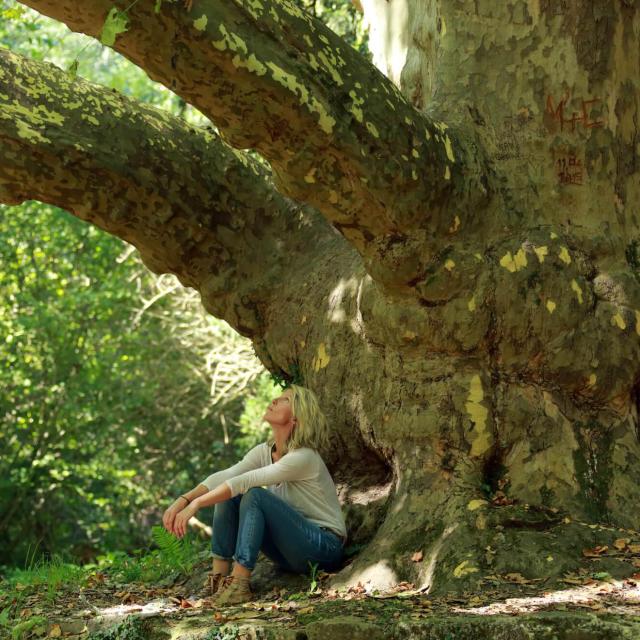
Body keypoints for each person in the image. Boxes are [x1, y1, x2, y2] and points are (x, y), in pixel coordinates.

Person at [162, 384, 347, 605]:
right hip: (288, 552)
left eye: (284, 399)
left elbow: (245, 482)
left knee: (254, 495)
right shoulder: (264, 451)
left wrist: (196, 505)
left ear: (297, 417)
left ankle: (239, 585)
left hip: (324, 548)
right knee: (231, 494)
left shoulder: (304, 457)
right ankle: (219, 581)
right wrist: (184, 499)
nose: (275, 401)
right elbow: (227, 476)